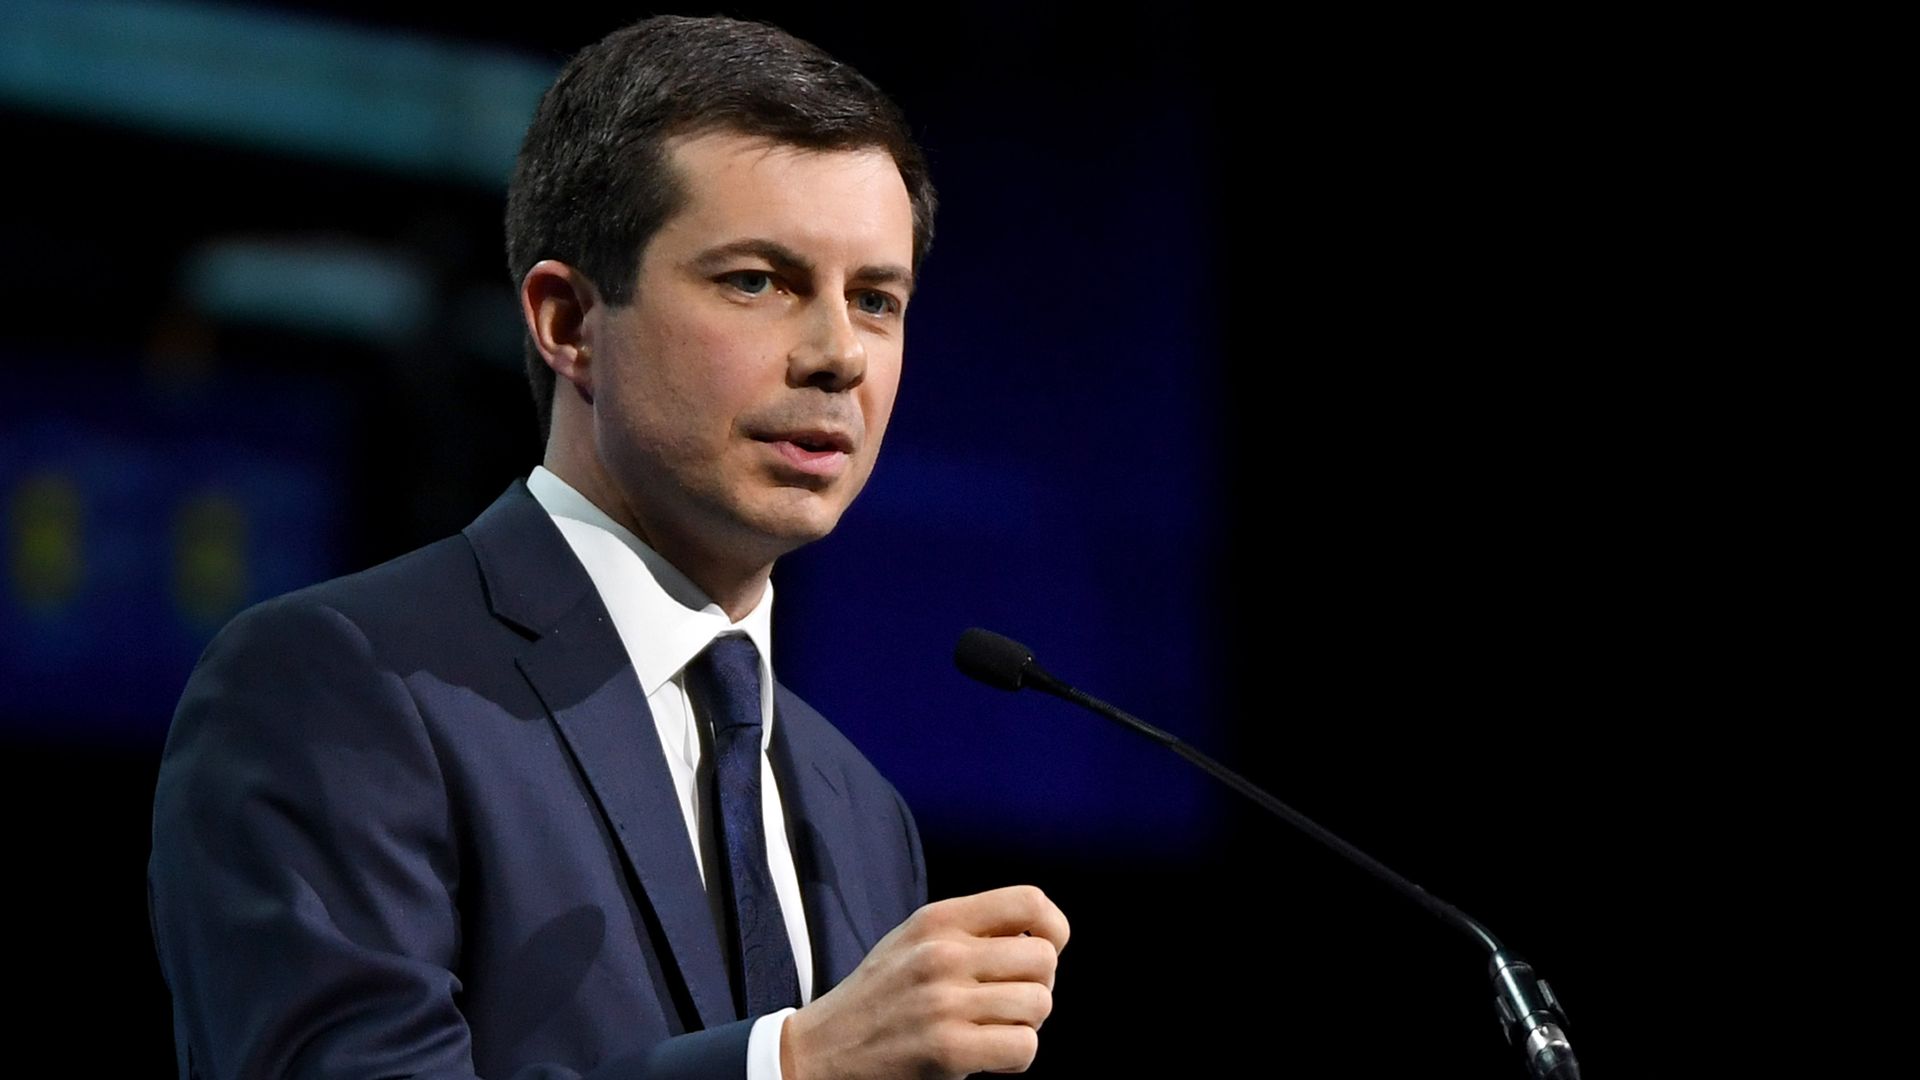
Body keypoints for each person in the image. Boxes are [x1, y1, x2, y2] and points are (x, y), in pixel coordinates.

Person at [148, 15, 1068, 1080]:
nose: (837, 357)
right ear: (569, 320)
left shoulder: (863, 812)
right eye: (758, 281)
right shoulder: (340, 686)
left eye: (875, 299)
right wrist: (789, 1065)